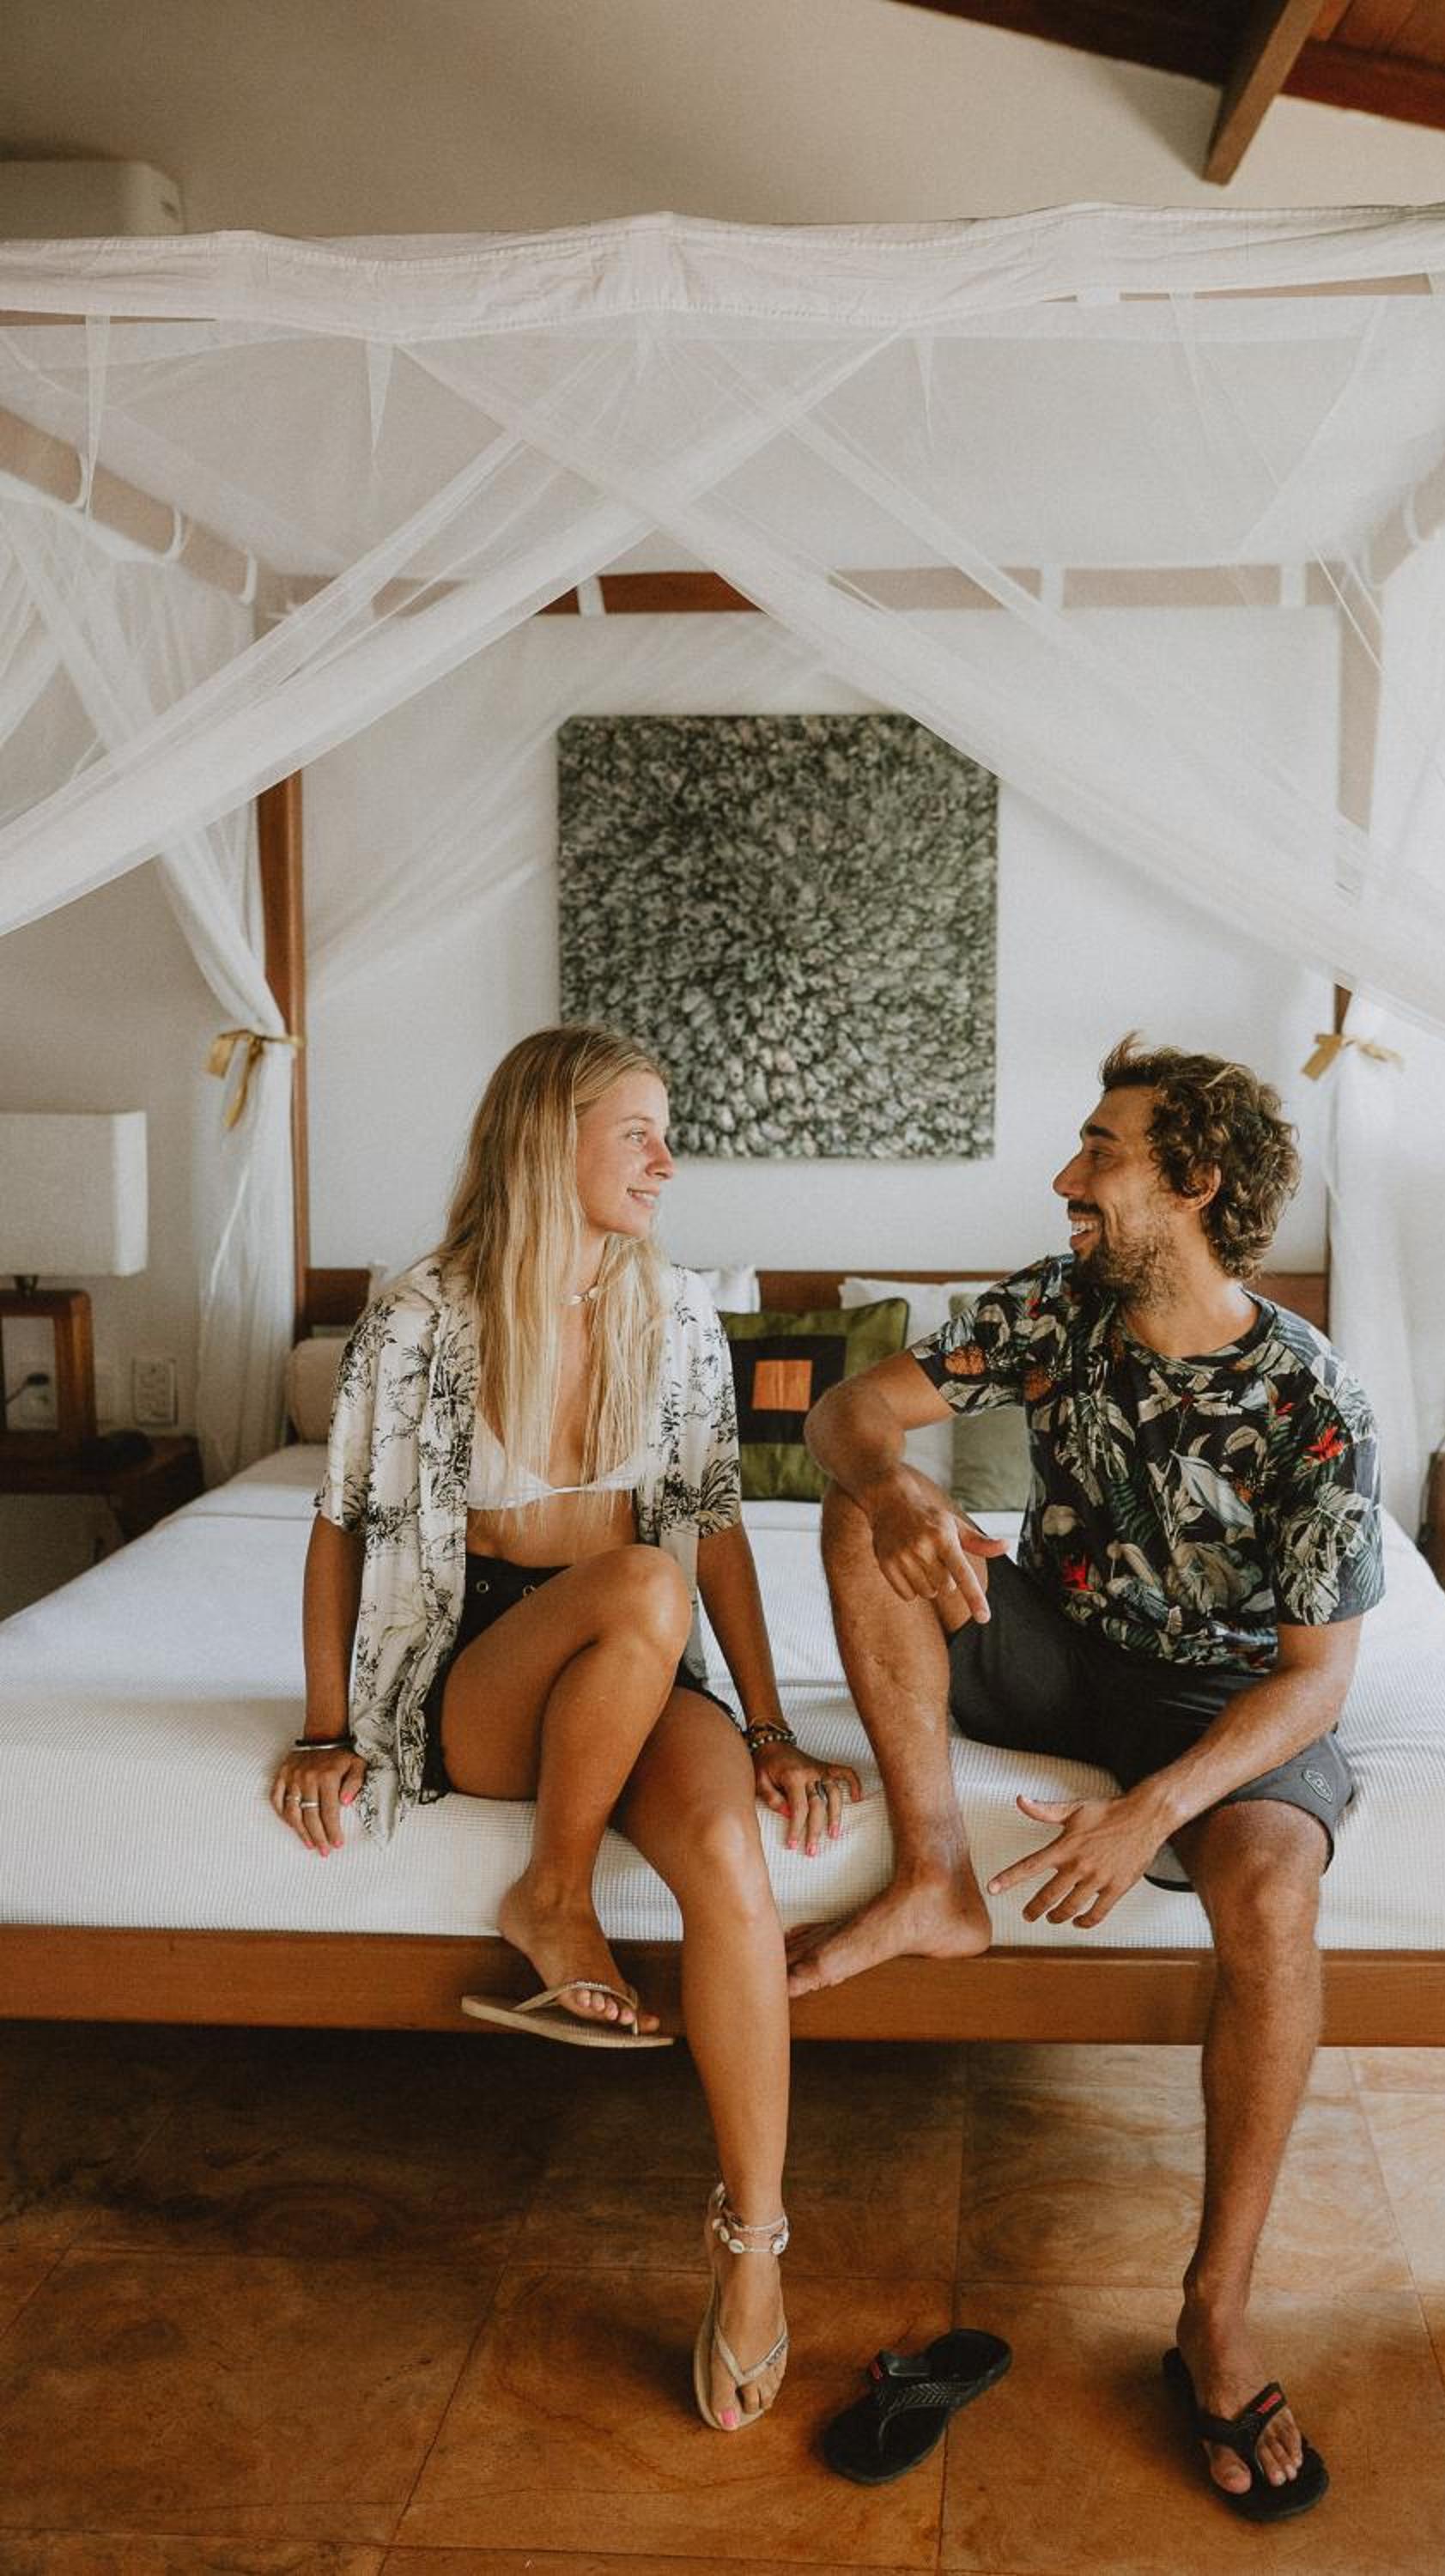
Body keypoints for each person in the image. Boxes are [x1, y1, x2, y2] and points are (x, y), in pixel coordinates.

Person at [793, 1036, 1382, 2522]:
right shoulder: (1057, 1308)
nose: (1067, 1176)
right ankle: (935, 1877)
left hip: (1224, 1692)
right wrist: (895, 1483)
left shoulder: (1314, 1402)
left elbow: (1317, 1680)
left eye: (1102, 1152)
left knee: (1271, 1899)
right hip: (1057, 1644)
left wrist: (1154, 1810)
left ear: (1195, 1183)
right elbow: (842, 1414)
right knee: (857, 1513)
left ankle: (1216, 2309)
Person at [270, 1023, 859, 2433]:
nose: (667, 1161)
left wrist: (769, 1725)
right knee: (645, 1583)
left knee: (729, 1854)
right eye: (637, 1133)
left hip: (643, 1660)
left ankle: (755, 2246)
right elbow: (342, 1522)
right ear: (552, 1139)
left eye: (666, 1133)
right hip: (482, 1668)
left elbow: (717, 1529)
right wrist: (325, 1726)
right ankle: (554, 1893)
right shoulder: (422, 1314)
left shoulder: (680, 1312)